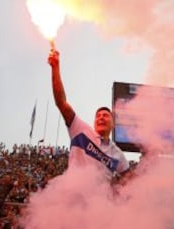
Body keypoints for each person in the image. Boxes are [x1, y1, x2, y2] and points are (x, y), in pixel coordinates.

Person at [47, 49, 130, 179]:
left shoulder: (118, 154)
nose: (101, 118)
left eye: (105, 115)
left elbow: (130, 179)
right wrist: (55, 67)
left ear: (113, 124)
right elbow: (61, 103)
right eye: (98, 116)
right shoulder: (81, 130)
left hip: (98, 199)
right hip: (72, 196)